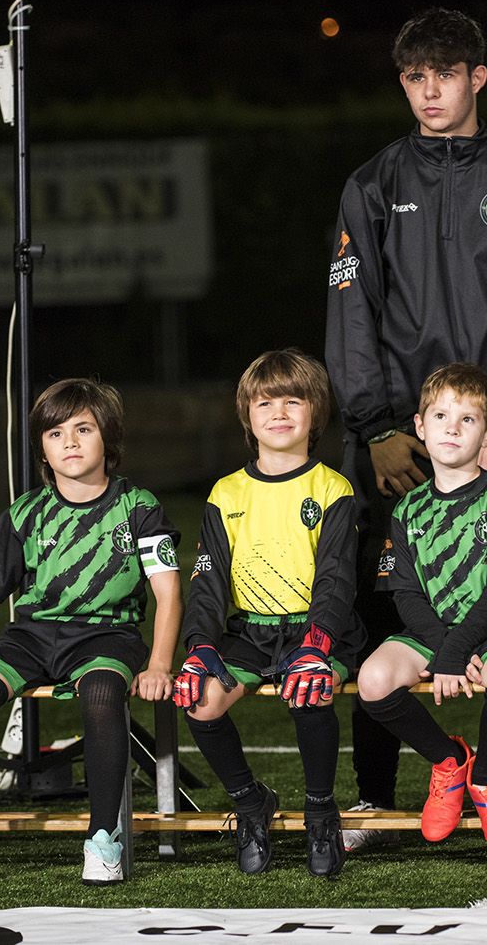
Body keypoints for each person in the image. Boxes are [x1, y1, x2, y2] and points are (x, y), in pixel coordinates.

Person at [325, 7, 487, 847]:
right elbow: (352, 311)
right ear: (404, 84)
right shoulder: (373, 183)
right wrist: (380, 426)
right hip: (399, 443)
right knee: (380, 612)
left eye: (447, 75)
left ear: (478, 78)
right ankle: (375, 796)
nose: (431, 92)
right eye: (416, 78)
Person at [0, 379, 181, 888]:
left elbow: (169, 593)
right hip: (35, 633)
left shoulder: (139, 507)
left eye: (83, 429)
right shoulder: (25, 513)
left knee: (104, 691)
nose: (69, 442)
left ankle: (103, 838)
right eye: (55, 432)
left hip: (108, 635)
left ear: (108, 438)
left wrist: (157, 664)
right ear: (41, 447)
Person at [172, 349, 363, 878]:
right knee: (201, 702)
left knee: (308, 690)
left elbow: (336, 579)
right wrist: (199, 646)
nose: (279, 412)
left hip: (319, 630)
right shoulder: (226, 492)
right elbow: (207, 581)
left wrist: (318, 645)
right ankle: (250, 801)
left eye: (293, 400)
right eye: (265, 402)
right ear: (247, 416)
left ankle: (321, 811)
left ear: (314, 413)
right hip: (251, 634)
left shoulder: (332, 488)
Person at [356, 363, 487, 854]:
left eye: (468, 419)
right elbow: (406, 595)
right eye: (440, 415)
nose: (451, 428)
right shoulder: (407, 509)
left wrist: (458, 650)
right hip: (429, 634)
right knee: (372, 679)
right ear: (419, 426)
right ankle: (449, 761)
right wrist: (444, 650)